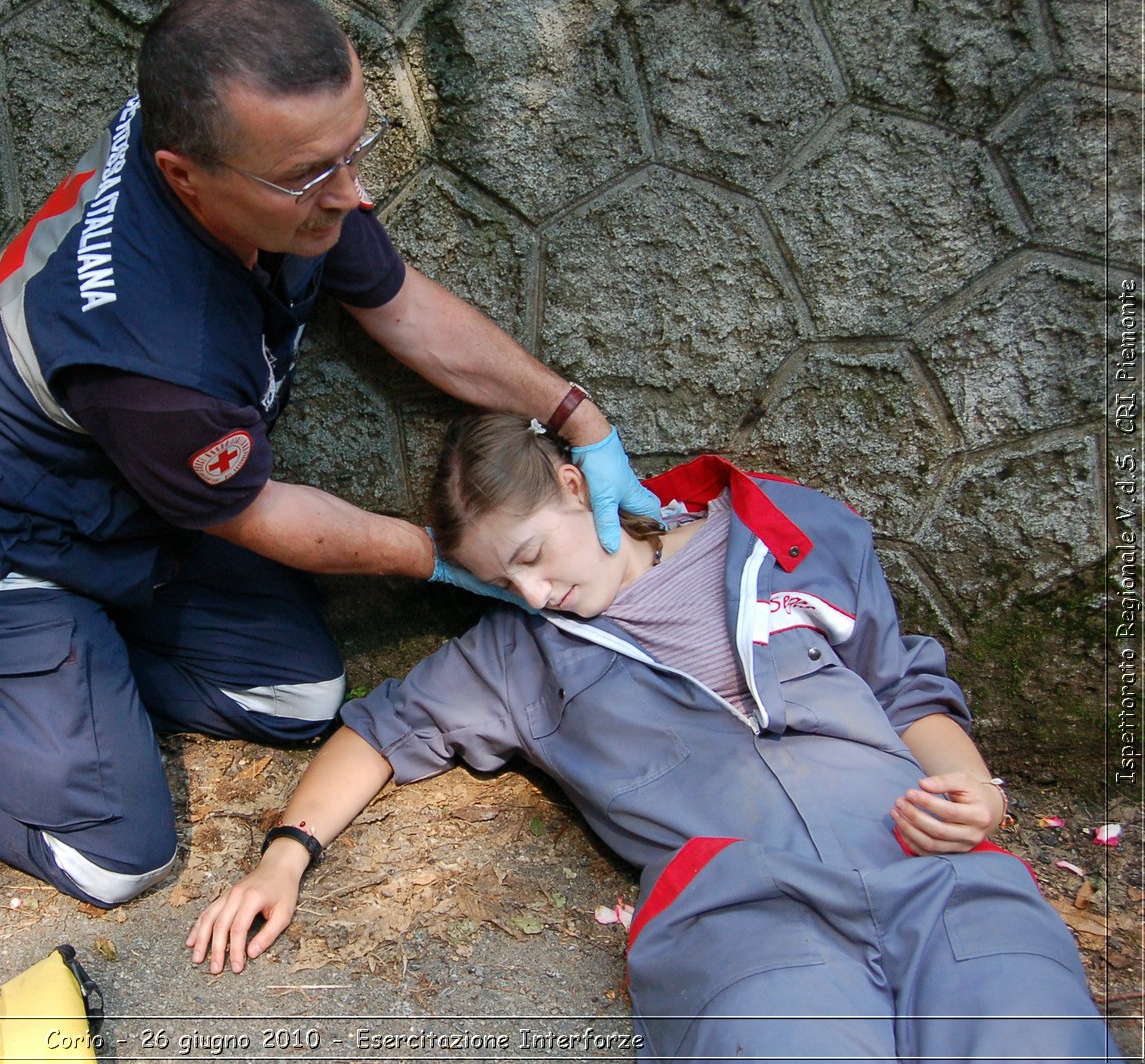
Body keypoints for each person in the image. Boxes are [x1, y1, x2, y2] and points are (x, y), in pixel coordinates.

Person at [0, 0, 660, 910]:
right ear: (186, 173)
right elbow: (262, 512)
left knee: (299, 696)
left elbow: (397, 300)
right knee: (113, 857)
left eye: (354, 150)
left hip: (137, 506)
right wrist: (450, 562)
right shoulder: (150, 343)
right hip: (7, 527)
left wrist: (576, 415)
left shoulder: (251, 157)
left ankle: (42, 690)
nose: (353, 194)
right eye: (311, 176)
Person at [187, 413, 1124, 1061]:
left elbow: (900, 677)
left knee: (1034, 1037)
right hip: (748, 914)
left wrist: (976, 786)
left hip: (926, 858)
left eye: (532, 557)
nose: (535, 594)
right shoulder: (519, 657)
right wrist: (284, 858)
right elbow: (380, 732)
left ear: (572, 482)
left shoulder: (780, 534)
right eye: (502, 583)